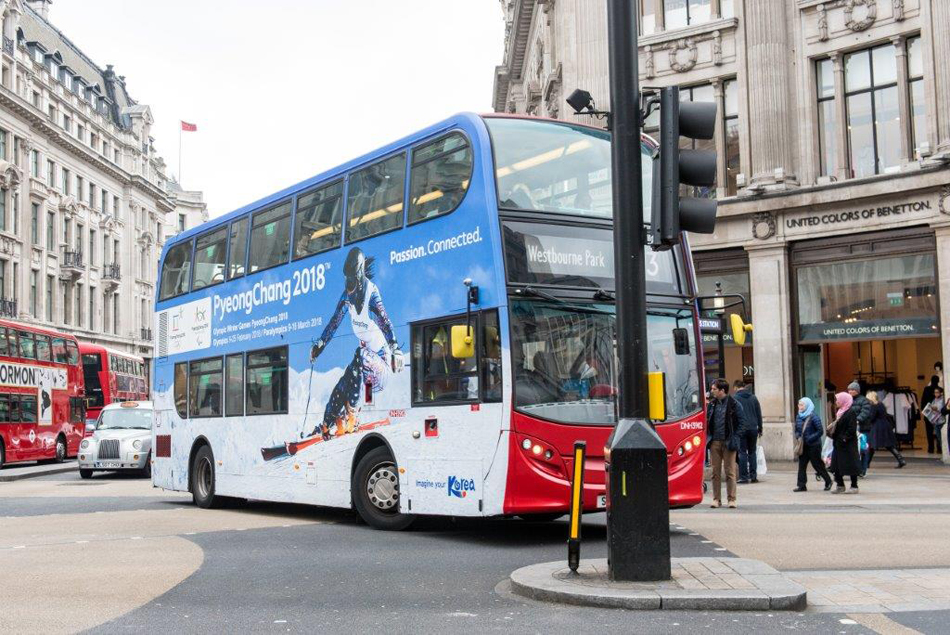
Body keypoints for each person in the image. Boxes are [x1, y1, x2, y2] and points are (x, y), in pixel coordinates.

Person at [305, 247, 404, 440]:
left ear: (358, 276)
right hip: (364, 371)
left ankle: (353, 415)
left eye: (351, 280)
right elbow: (334, 323)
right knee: (343, 383)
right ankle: (328, 423)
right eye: (346, 280)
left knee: (361, 354)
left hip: (380, 368)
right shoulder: (346, 297)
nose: (348, 286)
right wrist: (320, 345)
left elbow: (385, 321)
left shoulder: (371, 294)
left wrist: (395, 348)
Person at [706, 378, 745, 509]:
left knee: (730, 472)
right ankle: (716, 499)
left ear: (722, 390)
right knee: (715, 472)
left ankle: (732, 499)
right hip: (715, 442)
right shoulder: (711, 405)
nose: (712, 391)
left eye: (714, 389)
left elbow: (742, 423)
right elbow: (707, 422)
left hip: (729, 442)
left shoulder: (734, 404)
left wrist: (735, 437)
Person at [793, 397, 832, 492]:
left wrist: (810, 438)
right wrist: (798, 436)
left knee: (817, 464)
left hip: (814, 445)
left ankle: (828, 481)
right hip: (803, 445)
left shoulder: (813, 416)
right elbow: (797, 430)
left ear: (807, 405)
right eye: (799, 405)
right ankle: (801, 485)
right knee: (802, 465)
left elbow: (820, 431)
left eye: (802, 405)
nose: (800, 407)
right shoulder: (799, 416)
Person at [830, 392, 861, 494]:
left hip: (848, 444)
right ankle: (840, 485)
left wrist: (844, 438)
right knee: (836, 465)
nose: (836, 402)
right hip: (838, 444)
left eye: (837, 400)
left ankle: (854, 486)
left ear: (843, 401)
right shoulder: (840, 412)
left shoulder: (850, 412)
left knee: (851, 465)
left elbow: (852, 428)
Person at [866, 391, 906, 469]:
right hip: (885, 425)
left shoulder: (873, 405)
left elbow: (871, 417)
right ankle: (901, 460)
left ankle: (867, 463)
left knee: (871, 445)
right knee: (889, 445)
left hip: (877, 426)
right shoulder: (881, 404)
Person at [733, 380, 762, 484]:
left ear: (736, 387)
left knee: (742, 452)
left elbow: (733, 416)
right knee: (752, 452)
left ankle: (744, 477)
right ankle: (753, 476)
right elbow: (759, 413)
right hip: (753, 428)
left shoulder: (735, 398)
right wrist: (760, 428)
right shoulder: (753, 397)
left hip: (741, 429)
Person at [924, 386, 949, 455]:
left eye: (937, 392)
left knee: (942, 438)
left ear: (941, 393)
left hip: (942, 420)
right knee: (938, 437)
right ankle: (943, 452)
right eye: (935, 393)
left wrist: (936, 409)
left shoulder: (943, 399)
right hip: (936, 421)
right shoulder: (934, 400)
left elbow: (943, 409)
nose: (936, 394)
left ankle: (945, 453)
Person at [921, 375, 942, 454]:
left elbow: (923, 401)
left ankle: (930, 448)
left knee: (929, 431)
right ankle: (939, 448)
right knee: (937, 430)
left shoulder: (926, 389)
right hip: (937, 412)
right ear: (938, 381)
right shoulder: (940, 389)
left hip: (928, 411)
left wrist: (923, 410)